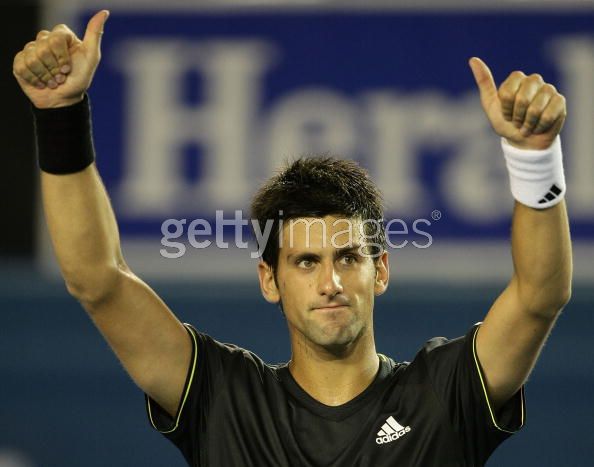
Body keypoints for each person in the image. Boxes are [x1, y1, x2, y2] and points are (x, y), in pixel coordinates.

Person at [13, 10, 572, 467]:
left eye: (348, 257)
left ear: (380, 269)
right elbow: (97, 280)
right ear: (269, 280)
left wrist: (534, 158)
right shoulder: (222, 399)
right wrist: (61, 115)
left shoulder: (444, 397)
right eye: (305, 262)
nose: (329, 282)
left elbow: (539, 295)